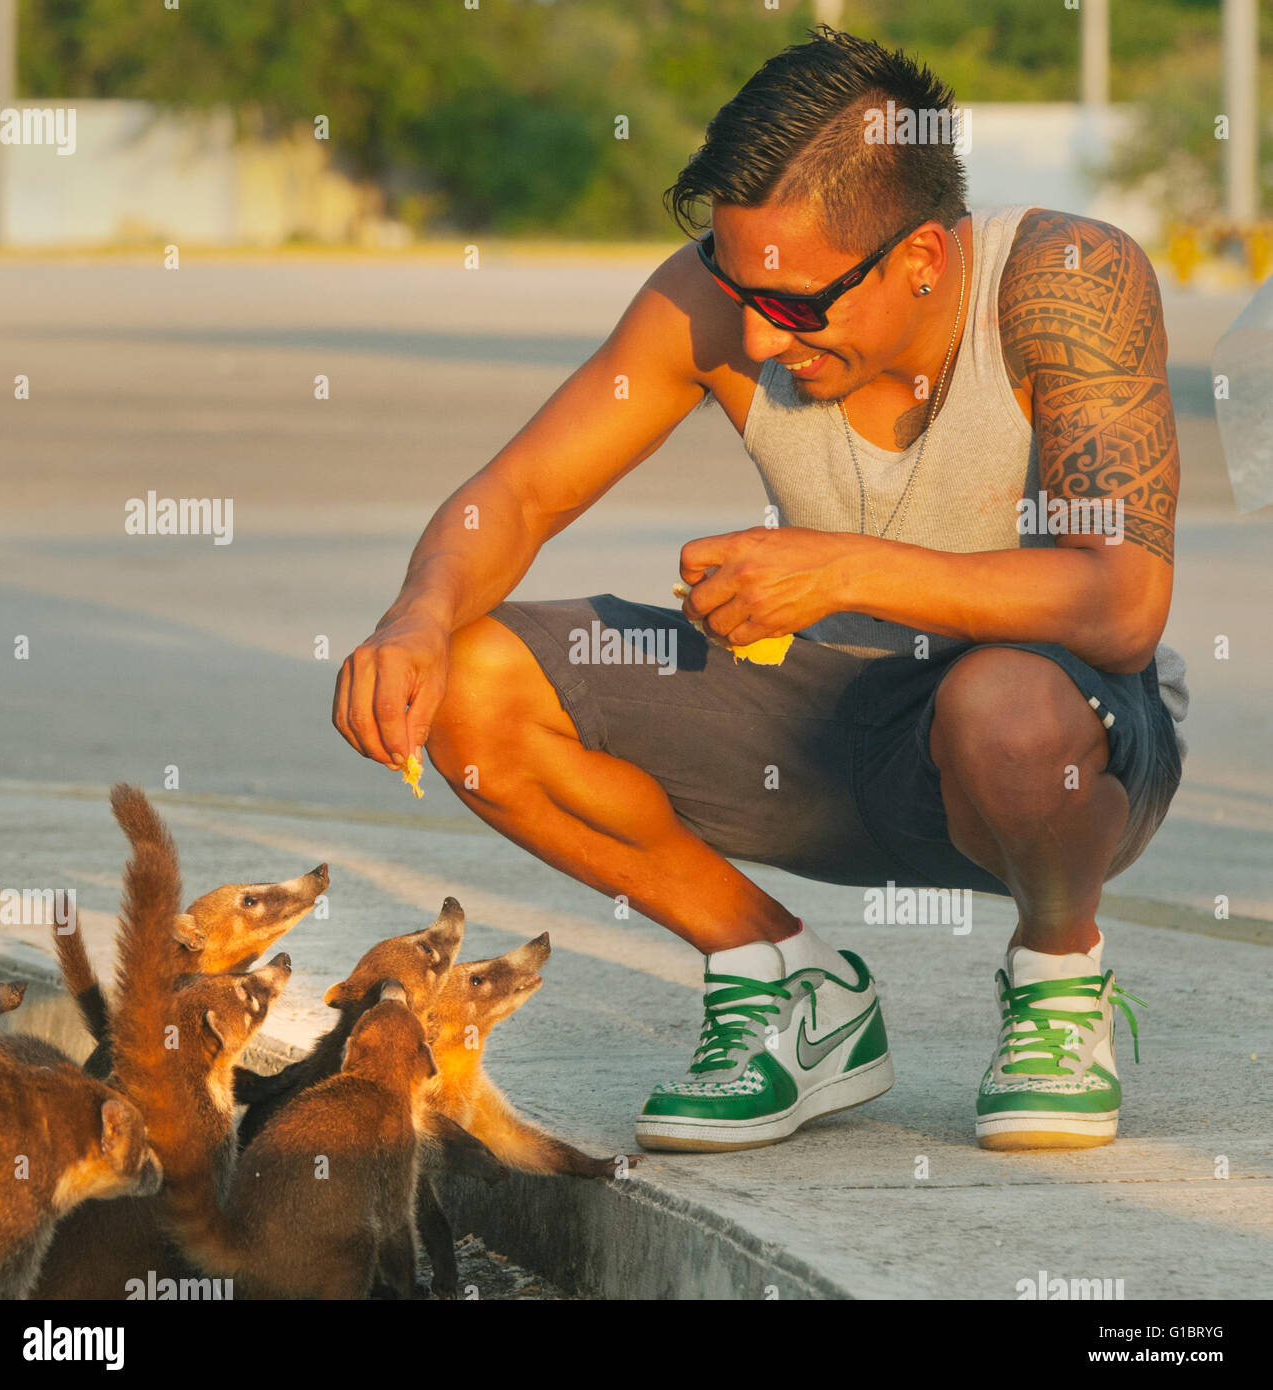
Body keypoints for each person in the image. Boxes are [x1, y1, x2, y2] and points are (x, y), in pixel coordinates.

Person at [333, 28, 1187, 1154]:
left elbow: (1121, 603)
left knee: (1003, 706)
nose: (749, 332)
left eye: (791, 304)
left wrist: (842, 568)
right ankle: (782, 979)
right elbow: (520, 496)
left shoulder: (1070, 280)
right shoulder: (723, 300)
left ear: (922, 258)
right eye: (734, 284)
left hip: (1057, 753)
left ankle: (1058, 977)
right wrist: (414, 618)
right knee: (472, 682)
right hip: (822, 731)